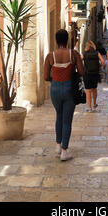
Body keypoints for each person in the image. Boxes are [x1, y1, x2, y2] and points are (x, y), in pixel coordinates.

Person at [44, 29, 84, 161]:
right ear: (67, 40)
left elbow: (45, 76)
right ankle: (64, 151)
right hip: (69, 88)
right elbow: (82, 72)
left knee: (59, 116)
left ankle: (58, 145)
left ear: (56, 40)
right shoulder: (74, 54)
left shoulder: (50, 56)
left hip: (55, 88)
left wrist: (55, 77)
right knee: (67, 120)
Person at [81, 41, 105, 112]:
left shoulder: (84, 53)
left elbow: (79, 60)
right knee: (94, 89)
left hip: (87, 74)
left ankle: (89, 107)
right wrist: (100, 67)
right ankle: (94, 104)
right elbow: (103, 61)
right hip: (95, 74)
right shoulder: (97, 53)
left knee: (88, 91)